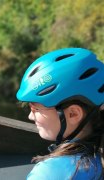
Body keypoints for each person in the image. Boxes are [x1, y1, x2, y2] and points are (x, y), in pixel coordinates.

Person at [16, 48, 104, 179]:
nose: (30, 116)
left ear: (73, 114)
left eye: (36, 109)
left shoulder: (51, 173)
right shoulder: (97, 157)